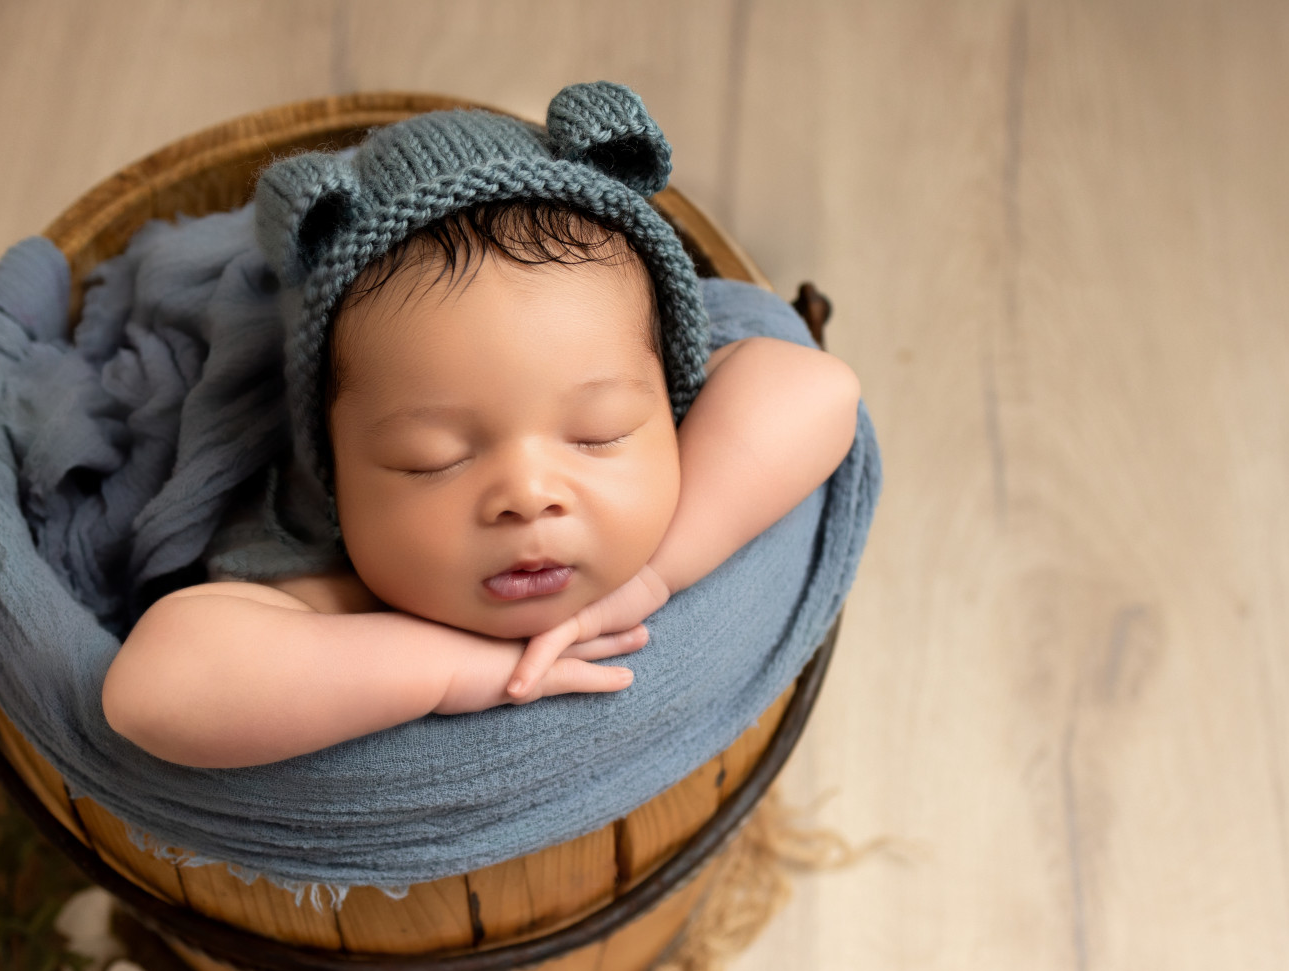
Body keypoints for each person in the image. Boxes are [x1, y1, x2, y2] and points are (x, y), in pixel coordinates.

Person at [102, 84, 860, 768]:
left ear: (669, 401)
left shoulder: (690, 450)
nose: (527, 497)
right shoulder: (335, 581)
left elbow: (818, 388)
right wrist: (450, 670)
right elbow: (153, 692)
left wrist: (655, 575)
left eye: (597, 433)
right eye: (430, 458)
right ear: (334, 469)